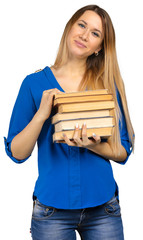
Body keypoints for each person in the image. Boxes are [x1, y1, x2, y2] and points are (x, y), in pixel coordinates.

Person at [4, 4, 134, 240]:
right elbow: (17, 153)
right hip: (51, 211)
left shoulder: (108, 85)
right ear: (69, 27)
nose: (85, 35)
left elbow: (123, 151)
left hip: (103, 209)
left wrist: (91, 144)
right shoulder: (33, 84)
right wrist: (42, 114)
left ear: (99, 48)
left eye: (95, 33)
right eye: (82, 25)